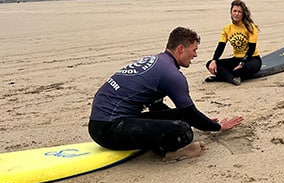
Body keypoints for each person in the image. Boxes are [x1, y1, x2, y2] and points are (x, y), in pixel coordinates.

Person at [88, 27, 242, 160]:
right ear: (181, 49)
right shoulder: (172, 74)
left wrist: (200, 121)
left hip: (106, 121)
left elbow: (158, 108)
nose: (195, 55)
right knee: (183, 130)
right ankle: (172, 152)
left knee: (182, 119)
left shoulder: (158, 62)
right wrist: (217, 126)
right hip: (108, 129)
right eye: (194, 50)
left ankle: (160, 142)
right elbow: (189, 113)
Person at [205, 0, 262, 85]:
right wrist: (214, 60)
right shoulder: (227, 29)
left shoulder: (251, 28)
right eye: (234, 11)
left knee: (242, 69)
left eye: (239, 12)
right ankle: (233, 79)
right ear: (231, 12)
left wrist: (242, 63)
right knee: (209, 64)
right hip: (236, 59)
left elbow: (251, 49)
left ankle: (223, 77)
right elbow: (221, 46)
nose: (236, 14)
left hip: (252, 59)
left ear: (243, 14)